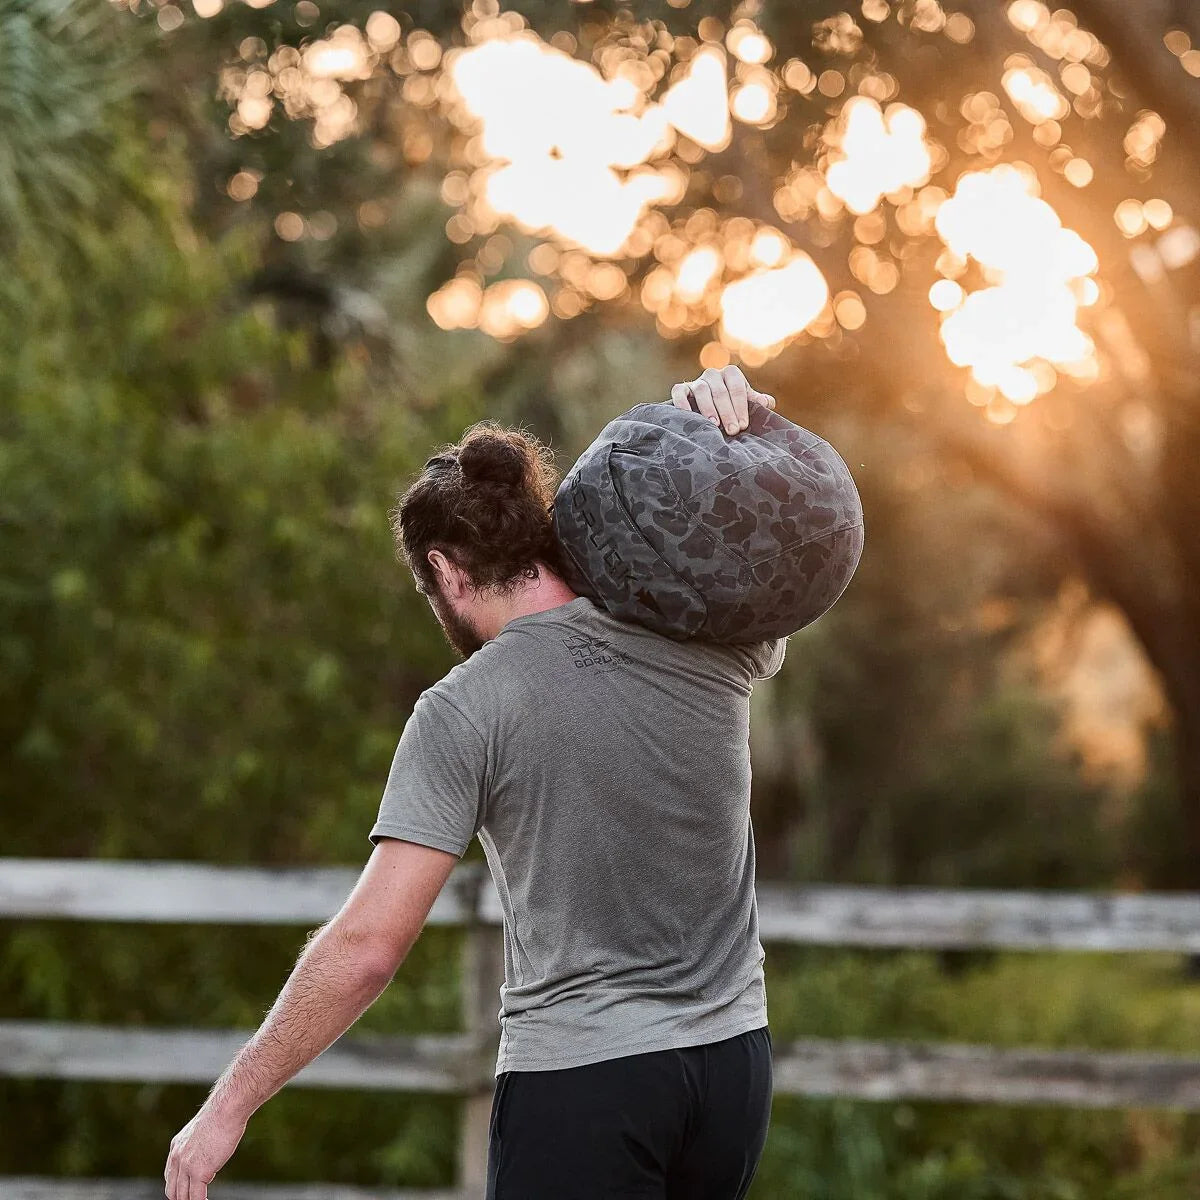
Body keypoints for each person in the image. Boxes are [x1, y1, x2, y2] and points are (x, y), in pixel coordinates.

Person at [163, 366, 786, 1200]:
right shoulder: (695, 632)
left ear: (446, 570)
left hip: (585, 1084)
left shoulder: (464, 708)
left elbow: (366, 948)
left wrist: (227, 1108)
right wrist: (728, 426)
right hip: (734, 1076)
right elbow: (777, 549)